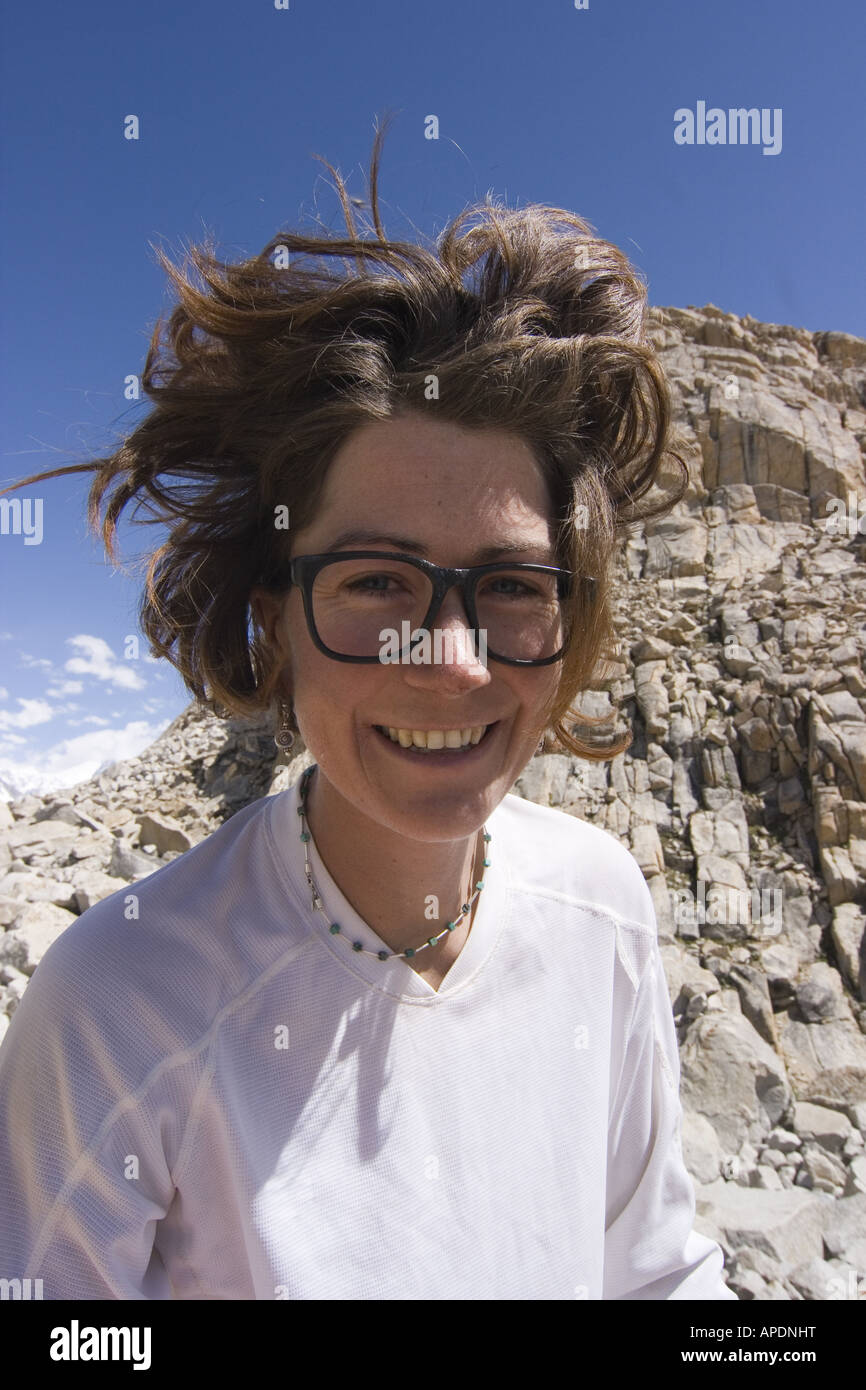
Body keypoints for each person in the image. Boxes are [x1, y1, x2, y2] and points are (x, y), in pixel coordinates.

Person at [0, 118, 736, 1299]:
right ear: (278, 619)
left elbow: (654, 1268)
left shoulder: (601, 910)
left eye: (507, 587)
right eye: (376, 581)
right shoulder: (114, 1002)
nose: (448, 661)